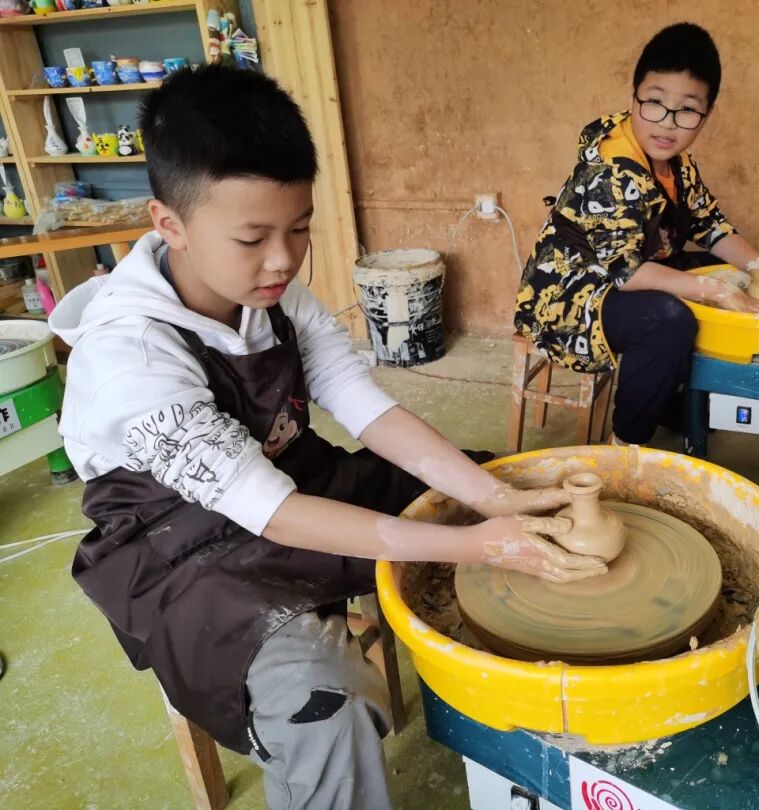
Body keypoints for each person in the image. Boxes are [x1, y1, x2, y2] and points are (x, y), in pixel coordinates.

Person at [49, 65, 604, 810]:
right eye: (253, 237)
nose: (284, 259)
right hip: (180, 550)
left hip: (288, 479)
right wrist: (480, 545)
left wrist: (491, 497)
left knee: (486, 485)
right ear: (169, 223)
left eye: (299, 227)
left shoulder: (272, 292)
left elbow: (363, 406)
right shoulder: (132, 359)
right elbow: (272, 513)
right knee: (323, 706)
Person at [515, 22, 759, 447]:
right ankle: (626, 442)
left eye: (687, 110)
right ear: (634, 96)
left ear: (707, 113)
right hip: (570, 295)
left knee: (723, 273)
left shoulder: (677, 163)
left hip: (628, 273)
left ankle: (675, 400)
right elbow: (626, 273)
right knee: (669, 319)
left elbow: (711, 225)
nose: (668, 124)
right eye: (655, 103)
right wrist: (714, 290)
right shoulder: (611, 168)